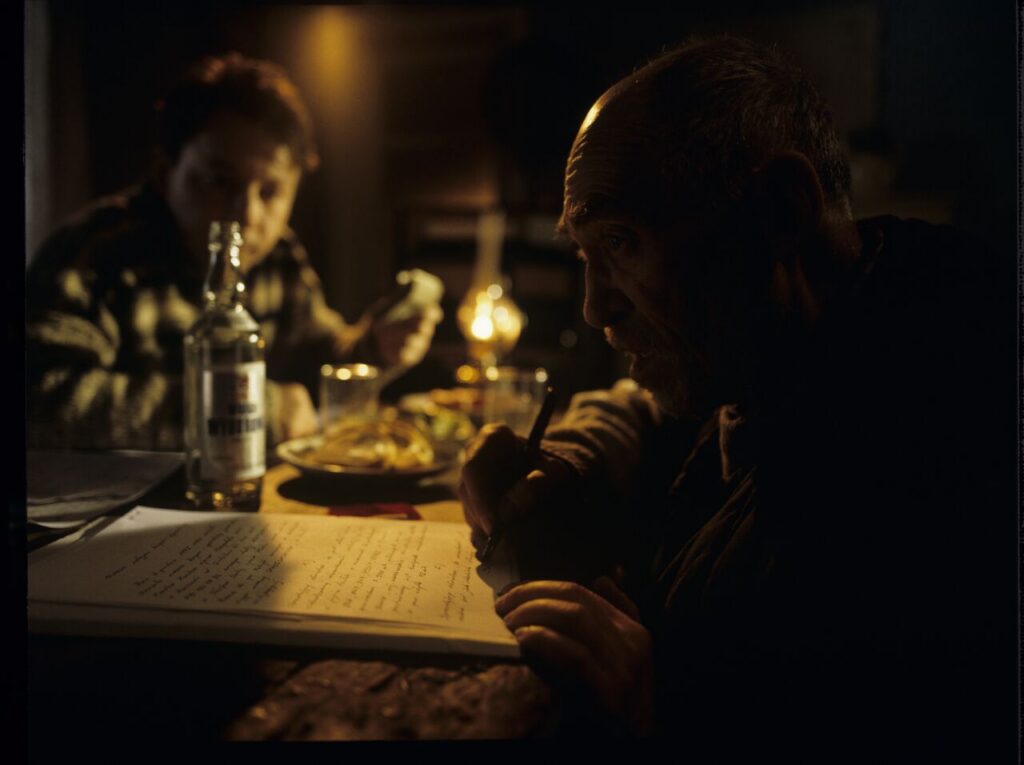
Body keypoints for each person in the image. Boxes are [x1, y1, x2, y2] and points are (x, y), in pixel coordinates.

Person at [458, 36, 1015, 749]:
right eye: (585, 254)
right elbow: (649, 406)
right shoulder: (791, 331)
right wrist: (567, 458)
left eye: (623, 241)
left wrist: (658, 718)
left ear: (778, 210)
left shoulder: (938, 460)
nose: (596, 308)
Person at [26, 53, 441, 450]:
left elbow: (318, 358)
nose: (246, 214)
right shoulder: (95, 256)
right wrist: (250, 408)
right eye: (220, 182)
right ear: (164, 172)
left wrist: (375, 346)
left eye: (271, 191)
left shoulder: (278, 255)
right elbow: (40, 398)